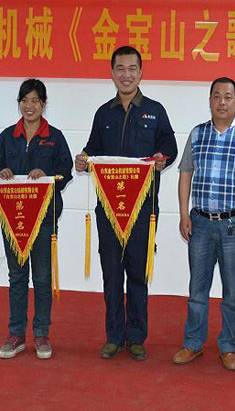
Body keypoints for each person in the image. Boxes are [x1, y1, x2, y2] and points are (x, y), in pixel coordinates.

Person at [75, 46, 177, 361]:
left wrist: (162, 157)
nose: (126, 75)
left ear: (141, 72)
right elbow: (92, 149)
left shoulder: (155, 111)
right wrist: (83, 159)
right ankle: (113, 337)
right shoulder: (103, 113)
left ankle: (136, 337)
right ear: (112, 73)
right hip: (108, 208)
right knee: (111, 272)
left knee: (137, 273)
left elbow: (170, 147)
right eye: (120, 68)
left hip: (143, 209)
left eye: (132, 68)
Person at [172, 77, 235, 371]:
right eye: (216, 96)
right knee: (197, 290)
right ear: (210, 101)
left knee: (232, 291)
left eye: (227, 97)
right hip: (200, 223)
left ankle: (228, 346)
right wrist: (184, 214)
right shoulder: (197, 134)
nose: (222, 102)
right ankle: (193, 343)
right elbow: (185, 173)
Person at [0, 79, 73, 360]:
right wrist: (1, 172)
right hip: (13, 218)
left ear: (43, 104)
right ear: (19, 103)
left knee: (42, 278)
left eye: (35, 101)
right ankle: (16, 334)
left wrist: (46, 174)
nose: (30, 106)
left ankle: (41, 334)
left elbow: (66, 171)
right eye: (25, 100)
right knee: (16, 277)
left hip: (44, 218)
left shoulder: (55, 137)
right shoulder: (7, 136)